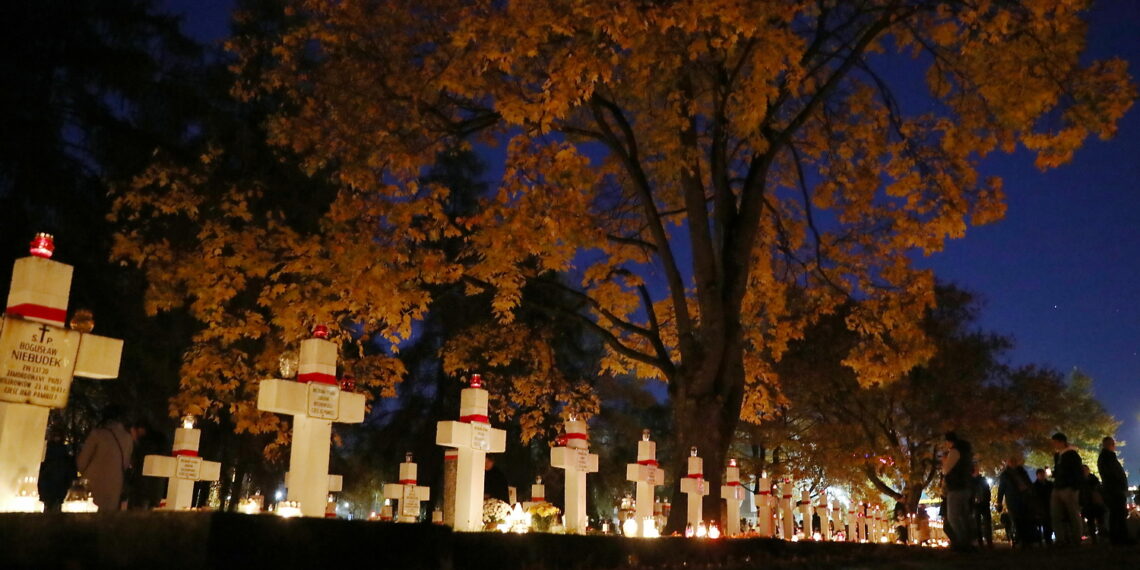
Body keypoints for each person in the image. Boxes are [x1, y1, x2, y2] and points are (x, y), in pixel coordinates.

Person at [77, 405, 136, 512]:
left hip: (92, 482)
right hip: (116, 484)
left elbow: (82, 461)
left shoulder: (97, 434)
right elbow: (126, 464)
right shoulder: (128, 438)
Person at [941, 431, 976, 551]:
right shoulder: (966, 453)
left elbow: (946, 470)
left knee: (953, 517)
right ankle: (968, 542)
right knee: (964, 516)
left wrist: (945, 462)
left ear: (949, 441)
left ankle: (962, 543)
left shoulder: (955, 452)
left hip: (956, 487)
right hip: (966, 487)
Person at [996, 455, 1039, 548]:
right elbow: (1001, 489)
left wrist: (1031, 492)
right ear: (1007, 463)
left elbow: (1029, 483)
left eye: (1014, 461)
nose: (1013, 463)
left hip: (1025, 497)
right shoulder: (1005, 475)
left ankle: (1027, 540)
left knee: (1026, 518)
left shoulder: (1022, 471)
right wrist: (999, 502)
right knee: (1017, 519)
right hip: (1013, 499)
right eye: (1011, 461)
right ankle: (1022, 540)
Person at [1050, 432, 1084, 546]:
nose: (1054, 445)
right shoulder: (1058, 455)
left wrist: (1075, 486)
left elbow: (1077, 471)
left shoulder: (1072, 454)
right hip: (1058, 486)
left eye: (1055, 442)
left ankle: (1076, 538)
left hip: (1068, 487)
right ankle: (1061, 539)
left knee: (1073, 513)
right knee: (1056, 514)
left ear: (1062, 442)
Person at [1097, 437, 1133, 545]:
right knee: (1118, 514)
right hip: (1115, 490)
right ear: (1111, 444)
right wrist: (1121, 486)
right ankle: (1121, 538)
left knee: (1116, 514)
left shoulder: (1105, 458)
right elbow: (1114, 474)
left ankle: (1117, 538)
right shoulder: (1108, 458)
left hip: (1112, 490)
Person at [37, 430, 76, 512]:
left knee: (51, 504)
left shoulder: (47, 450)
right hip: (57, 483)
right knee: (55, 504)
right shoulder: (63, 451)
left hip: (52, 483)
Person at [1078, 465, 1106, 543]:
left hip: (1092, 503)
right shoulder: (1092, 479)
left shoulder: (1085, 481)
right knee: (1092, 522)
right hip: (1088, 504)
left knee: (1098, 521)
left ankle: (1099, 537)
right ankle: (1096, 538)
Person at [972, 465, 993, 547]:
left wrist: (987, 500)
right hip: (977, 504)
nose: (978, 471)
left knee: (986, 523)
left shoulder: (981, 479)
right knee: (978, 524)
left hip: (983, 504)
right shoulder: (973, 481)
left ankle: (988, 541)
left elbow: (987, 490)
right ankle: (982, 542)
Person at [1033, 468, 1054, 545]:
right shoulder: (1034, 486)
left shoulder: (1050, 484)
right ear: (1037, 475)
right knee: (1044, 523)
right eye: (1040, 475)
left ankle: (1048, 538)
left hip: (1048, 505)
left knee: (1049, 523)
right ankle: (1045, 539)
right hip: (1040, 507)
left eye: (1043, 474)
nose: (1042, 476)